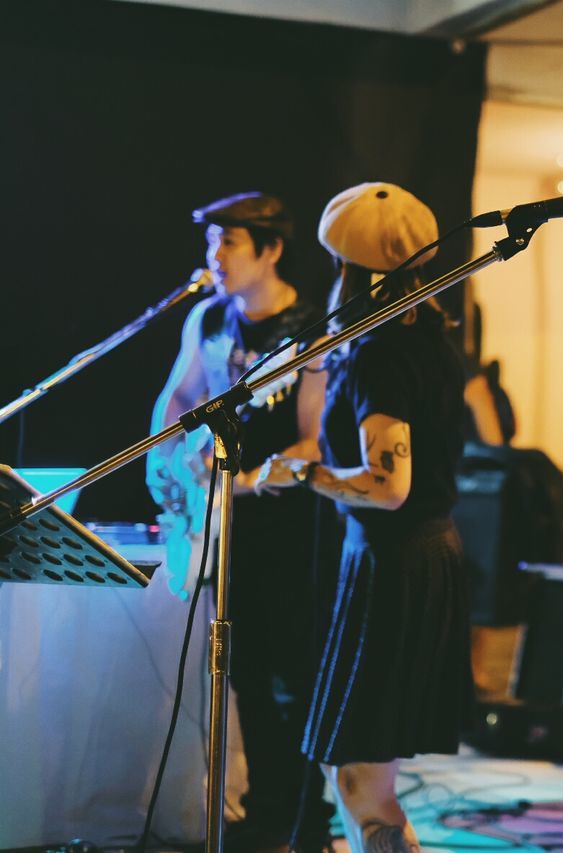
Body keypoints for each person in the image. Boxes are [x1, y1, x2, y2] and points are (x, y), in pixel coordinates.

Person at [255, 183, 473, 853]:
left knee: (358, 776)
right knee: (353, 771)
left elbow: (388, 485)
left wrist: (300, 473)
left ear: (357, 270)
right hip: (406, 558)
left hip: (395, 562)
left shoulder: (383, 353)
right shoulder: (426, 333)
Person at [146, 192, 335, 851]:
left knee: (295, 674)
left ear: (272, 249)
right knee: (244, 672)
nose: (215, 257)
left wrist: (251, 480)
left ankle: (308, 820)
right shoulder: (209, 318)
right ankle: (261, 813)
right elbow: (179, 398)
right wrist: (166, 465)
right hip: (228, 528)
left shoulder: (312, 329)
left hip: (290, 525)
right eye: (211, 245)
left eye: (229, 243)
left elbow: (318, 436)